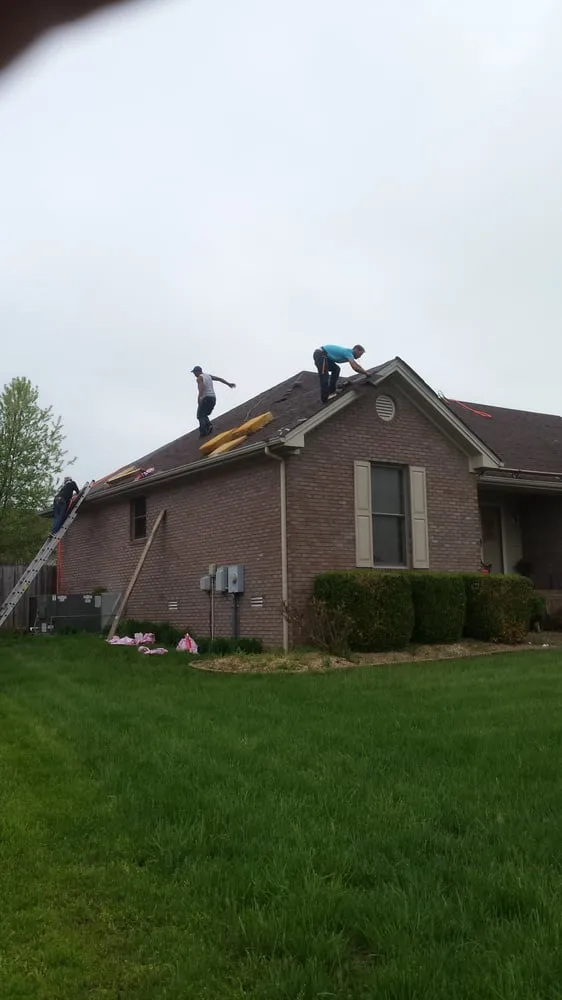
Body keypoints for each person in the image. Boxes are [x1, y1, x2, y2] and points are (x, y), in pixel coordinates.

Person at [192, 366, 236, 438]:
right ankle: (208, 426)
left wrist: (199, 397)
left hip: (206, 398)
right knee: (204, 414)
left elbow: (201, 388)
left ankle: (204, 431)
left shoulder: (199, 378)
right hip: (213, 399)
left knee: (200, 415)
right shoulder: (208, 376)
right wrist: (228, 384)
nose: (194, 374)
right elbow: (219, 379)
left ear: (198, 371)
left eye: (194, 372)